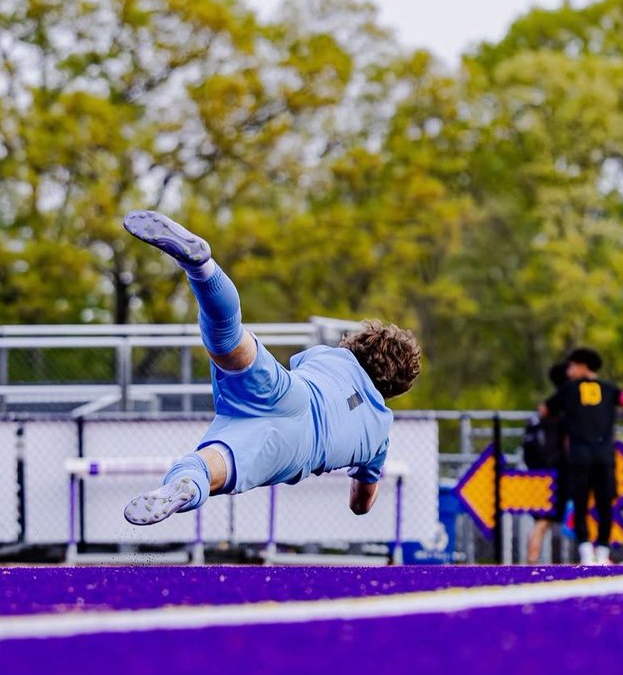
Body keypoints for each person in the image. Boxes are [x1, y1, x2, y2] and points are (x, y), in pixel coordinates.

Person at [119, 210, 422, 525]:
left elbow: (321, 382)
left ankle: (203, 269)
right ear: (394, 389)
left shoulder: (328, 356)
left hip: (288, 390)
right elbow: (362, 503)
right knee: (210, 466)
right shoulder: (379, 431)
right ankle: (184, 485)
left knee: (229, 338)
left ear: (359, 345)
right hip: (294, 445)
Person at [539, 346, 623, 566]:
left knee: (580, 503)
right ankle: (603, 551)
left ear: (582, 366)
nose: (569, 370)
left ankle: (586, 550)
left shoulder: (568, 389)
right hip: (604, 455)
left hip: (579, 455)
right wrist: (613, 414)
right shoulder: (609, 389)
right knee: (605, 503)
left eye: (572, 365)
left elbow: (544, 409)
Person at [525, 360, 569, 564]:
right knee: (545, 520)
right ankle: (596, 557)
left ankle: (531, 560)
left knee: (542, 521)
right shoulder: (563, 404)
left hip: (541, 471)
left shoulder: (545, 411)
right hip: (557, 471)